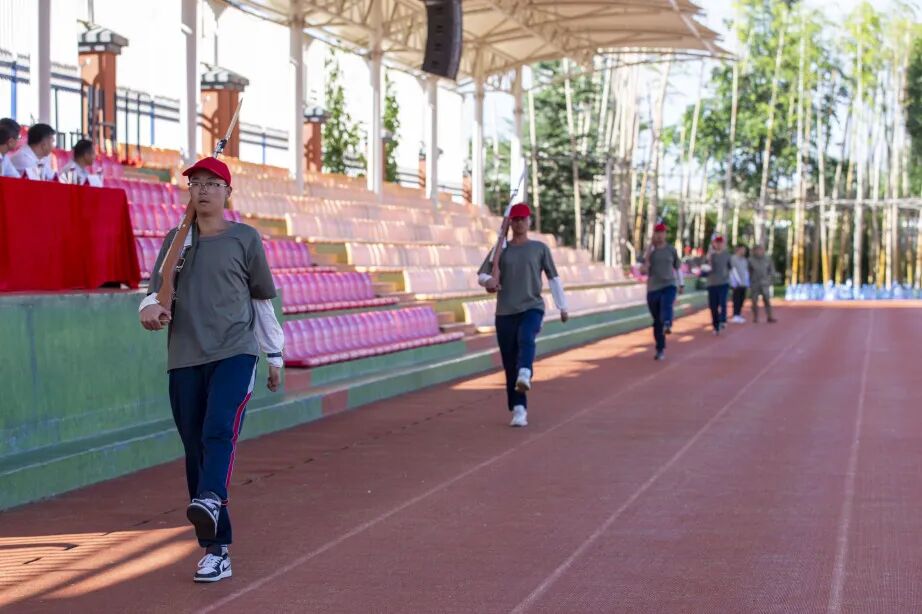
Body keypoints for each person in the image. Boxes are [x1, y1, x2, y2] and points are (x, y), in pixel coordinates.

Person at [138, 156, 284, 583]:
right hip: (185, 356)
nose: (203, 190)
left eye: (212, 184)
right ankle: (216, 549)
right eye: (196, 184)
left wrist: (274, 355)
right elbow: (154, 293)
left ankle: (211, 501)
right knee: (195, 448)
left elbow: (261, 300)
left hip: (235, 352)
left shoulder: (245, 238)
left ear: (227, 193)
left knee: (219, 429)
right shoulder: (176, 240)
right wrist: (149, 310)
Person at [477, 203, 568, 428]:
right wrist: (489, 281)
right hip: (505, 312)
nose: (519, 223)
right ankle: (519, 409)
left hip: (532, 306)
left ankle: (526, 371)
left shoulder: (539, 248)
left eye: (523, 219)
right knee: (509, 364)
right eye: (515, 220)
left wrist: (562, 306)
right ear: (510, 223)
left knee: (526, 337)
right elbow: (482, 274)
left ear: (529, 221)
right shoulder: (501, 249)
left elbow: (553, 277)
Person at [642, 222, 684, 360]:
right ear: (654, 234)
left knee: (666, 305)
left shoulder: (671, 250)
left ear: (665, 234)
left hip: (669, 284)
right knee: (656, 321)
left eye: (662, 233)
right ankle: (660, 348)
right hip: (653, 288)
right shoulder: (650, 252)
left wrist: (681, 284)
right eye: (657, 233)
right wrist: (649, 250)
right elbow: (643, 270)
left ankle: (667, 323)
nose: (660, 235)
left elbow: (677, 267)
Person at [705, 235, 732, 335]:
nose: (719, 244)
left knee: (723, 302)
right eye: (717, 242)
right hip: (712, 284)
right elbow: (705, 267)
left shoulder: (727, 255)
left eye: (721, 242)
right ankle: (715, 326)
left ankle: (723, 320)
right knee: (713, 306)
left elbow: (731, 268)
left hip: (723, 283)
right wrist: (708, 258)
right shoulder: (710, 255)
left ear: (723, 244)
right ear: (714, 243)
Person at [748, 244, 777, 323]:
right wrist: (749, 281)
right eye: (757, 250)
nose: (759, 251)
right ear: (754, 251)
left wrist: (770, 280)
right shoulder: (750, 260)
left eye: (761, 250)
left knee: (767, 300)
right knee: (754, 301)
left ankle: (769, 316)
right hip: (755, 283)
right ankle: (755, 317)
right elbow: (748, 272)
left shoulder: (767, 259)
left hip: (765, 283)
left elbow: (772, 270)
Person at [729, 244, 750, 323]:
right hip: (736, 283)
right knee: (736, 299)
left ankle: (738, 314)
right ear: (738, 250)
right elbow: (733, 271)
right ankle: (735, 315)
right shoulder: (733, 259)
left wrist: (747, 283)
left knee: (742, 299)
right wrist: (736, 282)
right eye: (742, 250)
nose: (744, 251)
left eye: (744, 250)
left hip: (744, 283)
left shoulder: (745, 260)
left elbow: (746, 272)